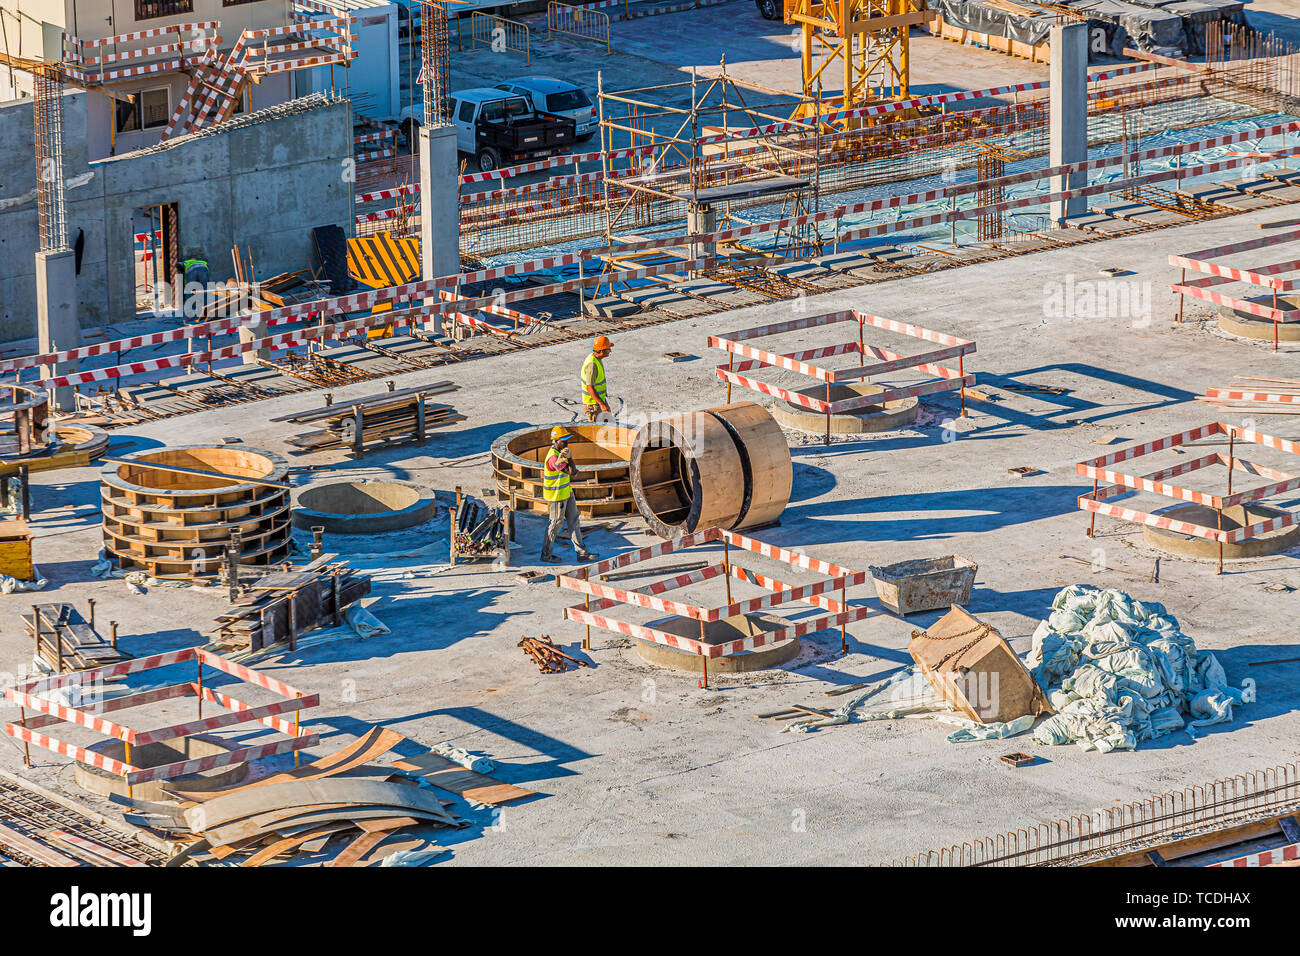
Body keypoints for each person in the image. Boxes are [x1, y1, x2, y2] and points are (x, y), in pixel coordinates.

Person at [540, 426, 598, 564]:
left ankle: (582, 553)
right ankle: (546, 555)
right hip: (557, 496)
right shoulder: (554, 458)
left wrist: (569, 459)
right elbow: (572, 472)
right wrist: (570, 458)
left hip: (567, 493)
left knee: (574, 522)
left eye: (567, 440)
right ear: (556, 441)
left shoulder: (560, 454)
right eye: (564, 440)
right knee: (555, 525)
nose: (567, 443)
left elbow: (574, 471)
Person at [581, 335, 613, 423]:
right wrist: (602, 404)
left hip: (598, 401)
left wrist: (603, 403)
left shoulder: (596, 358)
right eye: (608, 349)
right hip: (593, 405)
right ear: (601, 351)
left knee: (609, 427)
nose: (610, 351)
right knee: (599, 432)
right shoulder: (592, 364)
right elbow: (589, 387)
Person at [181, 251, 210, 317]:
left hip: (192, 271)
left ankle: (190, 311)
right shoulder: (203, 262)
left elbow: (179, 264)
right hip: (204, 270)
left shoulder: (186, 262)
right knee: (204, 291)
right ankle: (204, 311)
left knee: (190, 291)